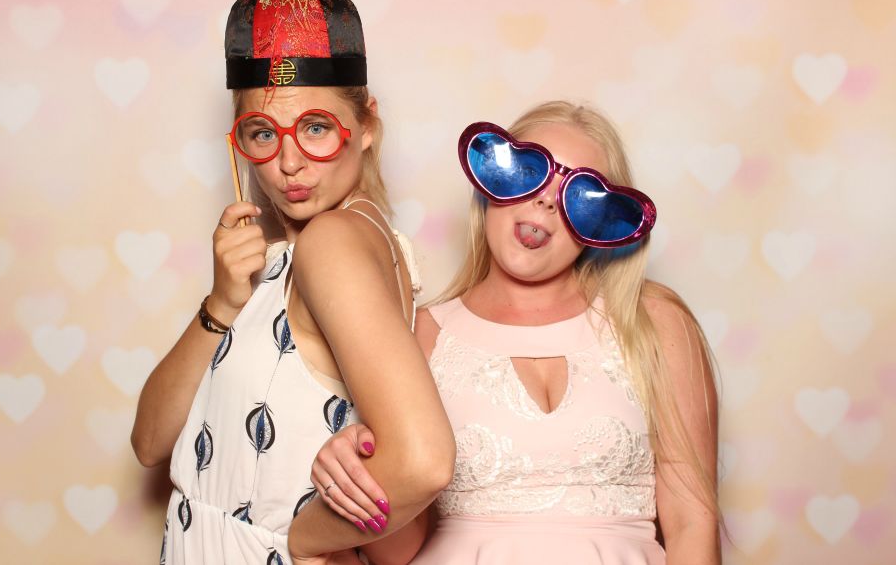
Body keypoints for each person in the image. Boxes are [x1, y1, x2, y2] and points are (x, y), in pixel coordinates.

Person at [130, 0, 455, 564]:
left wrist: (292, 542)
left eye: (315, 128)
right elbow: (151, 443)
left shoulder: (332, 243)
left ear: (366, 127)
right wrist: (223, 303)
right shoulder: (304, 255)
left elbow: (424, 464)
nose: (287, 163)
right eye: (262, 133)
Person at [308, 101, 721, 564]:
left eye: (580, 195)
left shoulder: (656, 322)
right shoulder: (421, 334)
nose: (546, 201)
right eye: (528, 173)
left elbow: (692, 522)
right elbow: (397, 554)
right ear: (490, 182)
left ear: (603, 223)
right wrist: (360, 475)